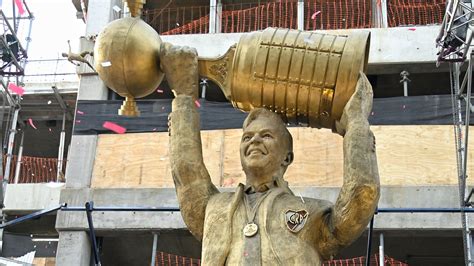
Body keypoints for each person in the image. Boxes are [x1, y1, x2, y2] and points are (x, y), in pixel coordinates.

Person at [162, 42, 380, 265]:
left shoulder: (312, 213)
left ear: (287, 157)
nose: (254, 140)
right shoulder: (215, 209)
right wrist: (184, 99)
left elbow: (362, 196)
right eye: (247, 137)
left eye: (266, 136)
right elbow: (187, 174)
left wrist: (356, 125)